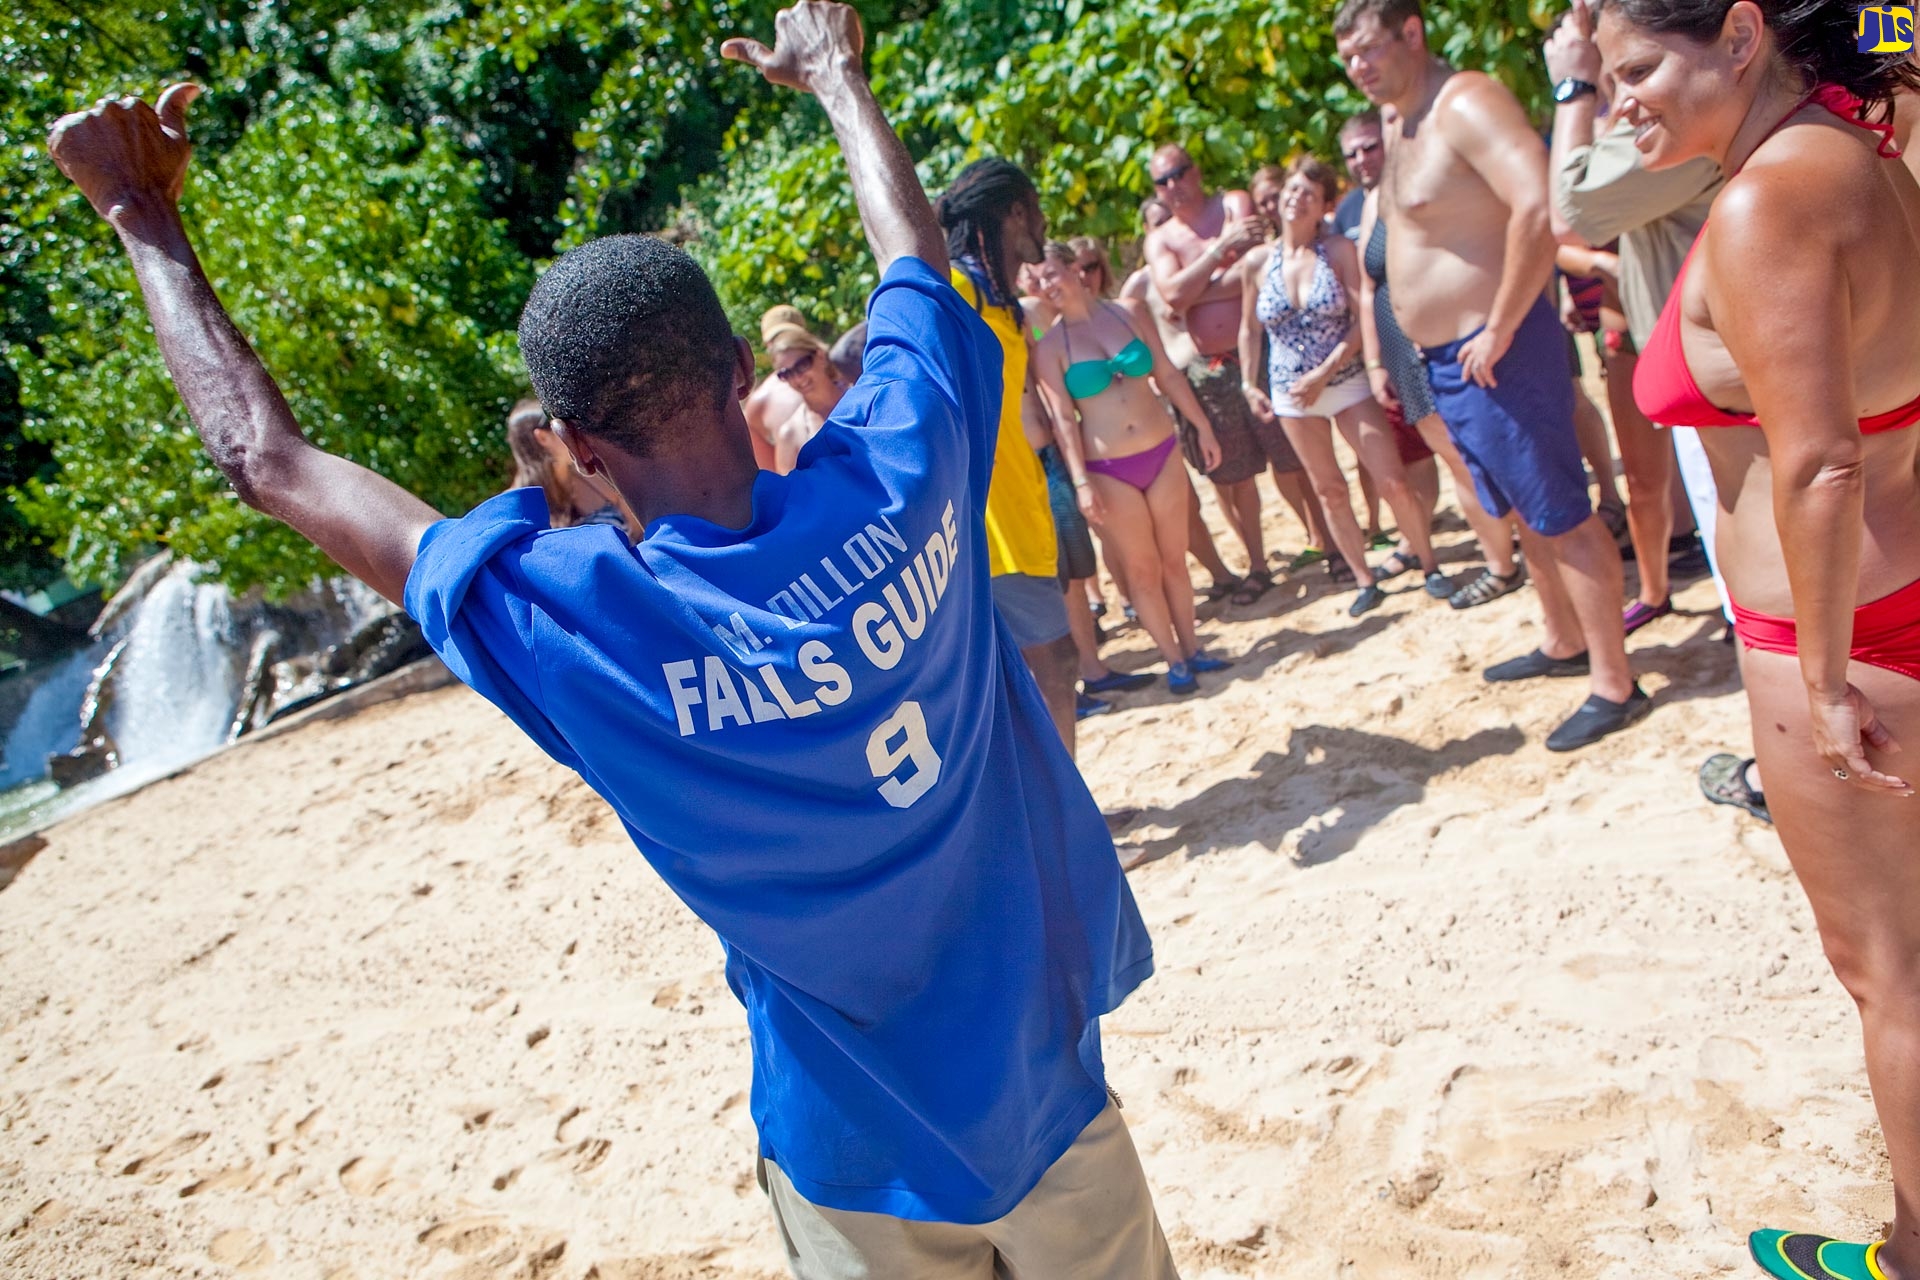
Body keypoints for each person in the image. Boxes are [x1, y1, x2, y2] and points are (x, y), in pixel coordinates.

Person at [45, 5, 1178, 1275]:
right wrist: (838, 84)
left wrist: (141, 219)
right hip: (1047, 1082)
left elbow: (268, 460)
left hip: (862, 1154)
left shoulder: (580, 621)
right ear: (741, 362)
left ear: (575, 450)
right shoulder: (908, 472)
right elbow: (913, 261)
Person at [1593, 5, 1920, 1277]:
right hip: (1893, 584)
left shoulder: (1763, 201)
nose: (1619, 103)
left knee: (1888, 968)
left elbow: (1822, 464)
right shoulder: (1855, 146)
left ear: (1738, 36)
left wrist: (1827, 682)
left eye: (1637, 72)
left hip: (1837, 627)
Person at [1337, 0, 1646, 752]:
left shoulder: (1465, 100)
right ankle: (1562, 637)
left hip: (1497, 349)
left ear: (1412, 32)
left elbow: (1538, 203)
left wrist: (1503, 325)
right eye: (1347, 58)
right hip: (1448, 361)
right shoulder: (1394, 120)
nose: (1359, 69)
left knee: (1562, 512)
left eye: (1370, 50)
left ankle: (1615, 682)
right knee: (1515, 508)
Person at [1547, 0, 1727, 640]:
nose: (1626, 102)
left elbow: (1569, 210)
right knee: (1661, 487)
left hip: (1713, 359)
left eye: (1640, 71)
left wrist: (1576, 84)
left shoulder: (1682, 115)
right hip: (1664, 340)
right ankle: (1659, 591)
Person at [1237, 158, 1446, 616]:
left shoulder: (1337, 251)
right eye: (1292, 190)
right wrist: (1249, 383)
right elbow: (1250, 330)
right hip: (1290, 389)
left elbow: (1361, 317)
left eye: (1308, 194)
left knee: (1389, 478)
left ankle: (1429, 564)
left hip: (1344, 378)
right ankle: (1363, 578)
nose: (1296, 199)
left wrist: (1327, 373)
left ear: (1324, 207)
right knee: (1329, 488)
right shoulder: (1257, 262)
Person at [936, 157, 1088, 754]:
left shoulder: (1002, 302)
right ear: (1015, 211)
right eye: (1037, 208)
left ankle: (1056, 810)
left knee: (1034, 674)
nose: (1045, 226)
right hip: (987, 520)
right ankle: (1065, 813)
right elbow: (865, 345)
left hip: (1023, 506)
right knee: (1056, 661)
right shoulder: (958, 287)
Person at [1033, 241, 1229, 694]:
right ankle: (1174, 659)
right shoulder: (1051, 348)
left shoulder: (1128, 312)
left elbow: (1168, 374)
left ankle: (1194, 647)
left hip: (1161, 449)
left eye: (1051, 274)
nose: (1046, 286)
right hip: (1107, 467)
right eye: (1039, 282)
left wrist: (1202, 427)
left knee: (1175, 561)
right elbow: (1063, 419)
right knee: (1142, 569)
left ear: (1075, 270)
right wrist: (1081, 482)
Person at [1145, 145, 1321, 604]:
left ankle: (1326, 541)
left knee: (1294, 456)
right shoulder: (1161, 239)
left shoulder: (1233, 203)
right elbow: (1171, 295)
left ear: (1197, 169)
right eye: (1161, 182)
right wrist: (1220, 251)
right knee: (1233, 475)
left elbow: (1254, 268)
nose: (1171, 187)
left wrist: (1193, 287)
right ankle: (1258, 565)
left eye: (1178, 174)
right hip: (1211, 367)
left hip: (1264, 351)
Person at [1121, 199, 1253, 600]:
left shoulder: (1183, 271)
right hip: (1165, 392)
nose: (1164, 228)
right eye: (1155, 223)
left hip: (1193, 376)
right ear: (1147, 232)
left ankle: (1237, 563)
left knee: (1225, 478)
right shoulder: (1140, 288)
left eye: (1168, 221)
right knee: (1201, 492)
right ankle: (1218, 571)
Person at [504, 398, 634, 533]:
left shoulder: (596, 477)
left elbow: (639, 533)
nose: (577, 432)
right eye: (565, 426)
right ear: (543, 438)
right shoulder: (514, 508)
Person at [762, 322, 849, 473]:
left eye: (802, 365)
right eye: (786, 374)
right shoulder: (790, 434)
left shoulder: (859, 394)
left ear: (820, 355)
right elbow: (792, 495)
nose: (798, 379)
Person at [745, 303, 810, 470]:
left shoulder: (837, 373)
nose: (785, 344)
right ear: (768, 345)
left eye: (790, 336)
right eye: (778, 338)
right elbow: (774, 474)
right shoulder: (759, 403)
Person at [1333, 111, 1384, 240]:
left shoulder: (1416, 195)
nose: (1361, 159)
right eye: (1351, 155)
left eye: (1370, 148)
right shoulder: (1345, 210)